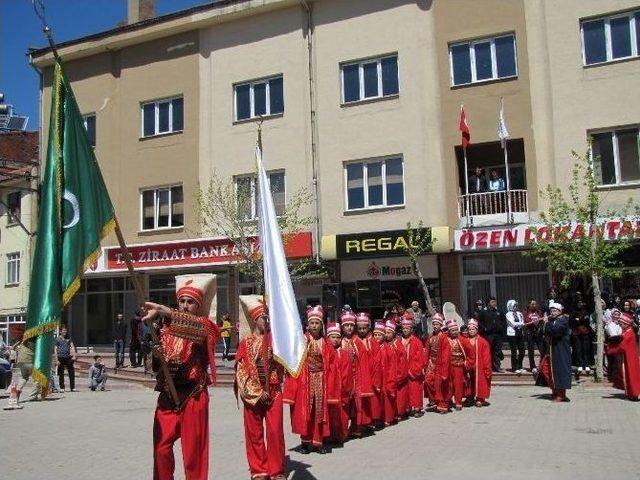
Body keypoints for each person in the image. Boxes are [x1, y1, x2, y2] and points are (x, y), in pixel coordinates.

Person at [143, 273, 220, 480]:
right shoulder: (165, 331)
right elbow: (154, 366)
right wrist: (157, 358)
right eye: (182, 301)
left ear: (199, 305)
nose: (185, 306)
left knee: (193, 455)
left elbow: (201, 330)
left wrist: (163, 311)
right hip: (168, 397)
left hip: (193, 396)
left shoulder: (206, 327)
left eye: (190, 302)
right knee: (161, 448)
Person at [235, 301, 286, 480]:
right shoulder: (245, 342)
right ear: (255, 319)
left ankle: (276, 469)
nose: (267, 321)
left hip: (274, 392)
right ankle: (259, 469)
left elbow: (287, 366)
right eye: (263, 317)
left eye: (269, 318)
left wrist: (277, 359)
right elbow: (241, 370)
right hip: (253, 394)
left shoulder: (277, 340)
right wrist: (256, 392)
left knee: (275, 432)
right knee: (254, 433)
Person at [284, 305, 339, 454]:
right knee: (305, 412)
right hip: (305, 381)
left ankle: (318, 442)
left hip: (321, 380)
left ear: (321, 325)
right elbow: (294, 358)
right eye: (312, 323)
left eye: (317, 323)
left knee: (319, 412)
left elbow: (333, 363)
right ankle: (305, 442)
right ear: (308, 324)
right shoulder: (302, 339)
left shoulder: (325, 343)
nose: (314, 326)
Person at [340, 310, 373, 437]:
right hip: (342, 379)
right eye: (346, 325)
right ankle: (341, 432)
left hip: (355, 378)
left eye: (351, 325)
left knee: (356, 405)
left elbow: (363, 363)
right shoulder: (339, 341)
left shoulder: (358, 342)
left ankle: (356, 428)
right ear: (342, 327)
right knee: (343, 405)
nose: (349, 327)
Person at [537, 303, 572, 402]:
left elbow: (555, 331)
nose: (552, 313)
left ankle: (561, 395)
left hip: (561, 351)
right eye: (551, 311)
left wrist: (547, 323)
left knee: (560, 371)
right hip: (552, 351)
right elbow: (545, 332)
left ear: (560, 311)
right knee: (546, 369)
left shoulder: (563, 321)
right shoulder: (554, 320)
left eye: (554, 311)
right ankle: (555, 390)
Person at [326, 322, 352, 445]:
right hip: (329, 390)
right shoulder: (325, 353)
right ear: (328, 338)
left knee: (342, 414)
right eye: (332, 337)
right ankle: (329, 435)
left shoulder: (345, 354)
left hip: (341, 390)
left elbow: (347, 374)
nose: (335, 340)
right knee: (330, 415)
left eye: (337, 337)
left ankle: (341, 435)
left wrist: (345, 389)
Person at [605, 312, 640, 401]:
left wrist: (610, 349)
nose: (620, 325)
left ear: (626, 323)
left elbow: (622, 346)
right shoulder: (626, 331)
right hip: (627, 358)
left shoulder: (629, 333)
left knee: (631, 376)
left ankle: (634, 394)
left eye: (621, 323)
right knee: (628, 376)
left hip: (630, 359)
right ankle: (631, 393)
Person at [400, 313, 426, 417]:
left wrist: (413, 370)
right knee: (406, 391)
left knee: (415, 390)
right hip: (404, 370)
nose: (405, 330)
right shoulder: (399, 341)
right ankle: (407, 407)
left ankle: (417, 408)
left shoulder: (417, 342)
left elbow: (419, 357)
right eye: (404, 328)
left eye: (407, 328)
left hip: (413, 371)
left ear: (412, 329)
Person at [461, 319, 491, 407]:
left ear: (477, 330)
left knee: (480, 382)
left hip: (479, 366)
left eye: (473, 329)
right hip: (468, 365)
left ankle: (480, 398)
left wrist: (486, 367)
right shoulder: (465, 340)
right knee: (469, 382)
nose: (471, 331)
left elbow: (486, 356)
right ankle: (470, 397)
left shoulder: (482, 341)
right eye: (469, 329)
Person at [424, 313, 446, 410]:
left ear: (441, 325)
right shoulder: (430, 336)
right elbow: (427, 350)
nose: (435, 326)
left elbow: (446, 353)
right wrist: (425, 363)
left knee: (439, 384)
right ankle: (433, 399)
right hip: (431, 362)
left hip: (441, 363)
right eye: (433, 324)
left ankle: (441, 403)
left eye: (437, 324)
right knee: (428, 381)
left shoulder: (443, 337)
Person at [445, 320, 467, 411]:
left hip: (458, 365)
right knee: (448, 384)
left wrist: (467, 362)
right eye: (452, 330)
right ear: (449, 331)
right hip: (448, 365)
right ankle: (448, 400)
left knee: (458, 384)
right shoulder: (446, 339)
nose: (455, 332)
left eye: (456, 330)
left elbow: (468, 352)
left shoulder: (461, 340)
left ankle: (458, 402)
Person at [478, 297, 505, 372]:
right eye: (492, 302)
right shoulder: (484, 312)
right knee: (489, 351)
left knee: (497, 351)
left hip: (497, 334)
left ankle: (497, 367)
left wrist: (500, 327)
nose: (494, 303)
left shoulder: (498, 311)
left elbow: (503, 320)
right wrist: (484, 329)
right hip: (488, 335)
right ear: (488, 303)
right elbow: (479, 322)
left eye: (495, 302)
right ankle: (488, 367)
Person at [381, 320, 399, 425]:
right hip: (382, 376)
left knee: (389, 398)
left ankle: (390, 417)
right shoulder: (382, 346)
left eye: (389, 333)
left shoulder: (395, 345)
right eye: (385, 333)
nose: (387, 335)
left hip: (391, 375)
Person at [15, 339, 41, 404]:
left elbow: (17, 348)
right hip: (29, 361)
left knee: (24, 377)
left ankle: (18, 389)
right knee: (37, 378)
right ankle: (33, 396)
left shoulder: (23, 341)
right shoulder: (34, 342)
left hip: (20, 361)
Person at [570, 300, 592, 374]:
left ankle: (586, 365)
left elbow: (587, 321)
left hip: (585, 332)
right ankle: (579, 364)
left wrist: (579, 320)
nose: (580, 304)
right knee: (578, 349)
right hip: (576, 333)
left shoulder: (586, 312)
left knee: (586, 349)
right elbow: (572, 321)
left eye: (581, 302)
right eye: (578, 303)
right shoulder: (573, 312)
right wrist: (579, 320)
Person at [523, 299, 544, 372]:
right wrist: (533, 322)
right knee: (531, 351)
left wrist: (540, 328)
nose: (534, 305)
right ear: (529, 305)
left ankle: (542, 365)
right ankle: (533, 366)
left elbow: (542, 321)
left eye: (535, 304)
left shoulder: (539, 312)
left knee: (542, 350)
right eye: (532, 304)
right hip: (530, 333)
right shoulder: (526, 312)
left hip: (538, 333)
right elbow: (526, 321)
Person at [55, 325, 77, 393]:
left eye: (65, 330)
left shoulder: (68, 338)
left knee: (71, 372)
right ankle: (62, 387)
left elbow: (72, 346)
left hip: (68, 357)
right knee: (61, 373)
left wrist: (74, 355)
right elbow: (55, 349)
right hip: (60, 357)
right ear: (60, 331)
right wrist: (56, 359)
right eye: (63, 330)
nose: (65, 331)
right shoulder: (57, 339)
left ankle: (72, 387)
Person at [505, 300, 525, 374]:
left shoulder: (519, 313)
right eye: (514, 306)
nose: (516, 307)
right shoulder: (508, 314)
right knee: (514, 352)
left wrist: (520, 324)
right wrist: (520, 324)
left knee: (522, 351)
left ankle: (520, 366)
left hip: (520, 333)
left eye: (516, 306)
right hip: (512, 334)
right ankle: (514, 367)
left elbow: (523, 322)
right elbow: (513, 324)